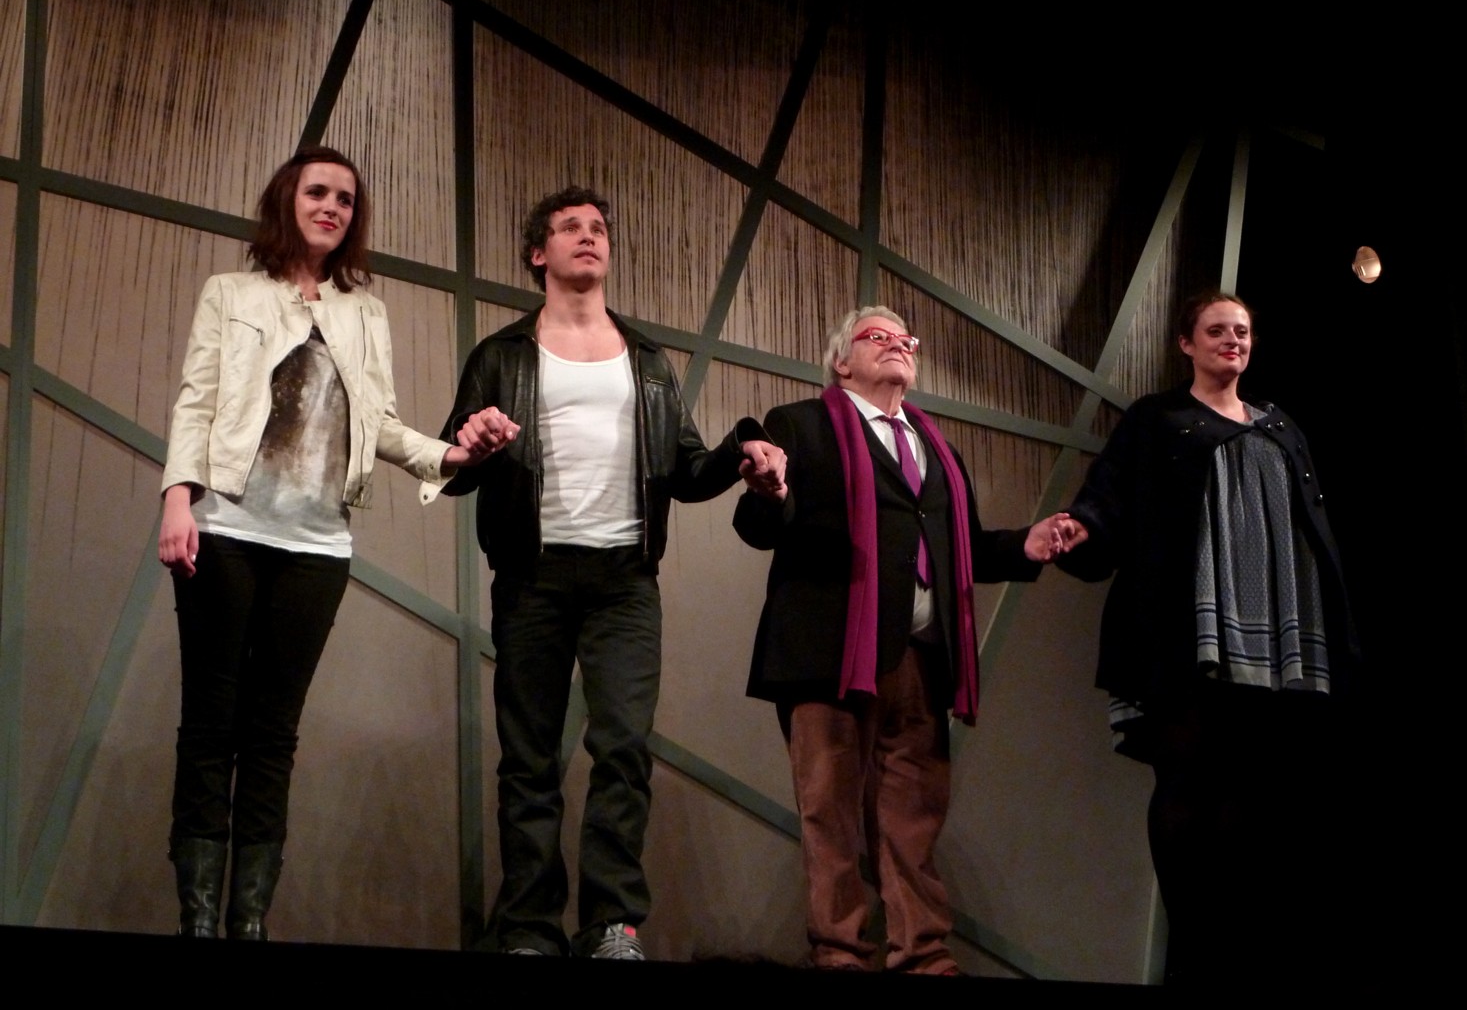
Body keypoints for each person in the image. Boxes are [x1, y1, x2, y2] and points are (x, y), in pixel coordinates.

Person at [425, 186, 785, 960]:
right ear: (538, 253)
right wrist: (472, 441)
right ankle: (527, 927)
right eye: (569, 228)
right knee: (529, 759)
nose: (588, 237)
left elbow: (685, 471)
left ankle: (611, 923)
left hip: (625, 581)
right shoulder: (500, 355)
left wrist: (742, 451)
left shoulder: (647, 360)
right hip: (532, 577)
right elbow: (450, 468)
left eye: (597, 229)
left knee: (622, 749)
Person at [157, 146, 501, 940]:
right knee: (210, 726)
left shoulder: (364, 312)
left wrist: (452, 455)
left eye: (345, 199)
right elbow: (197, 401)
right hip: (227, 529)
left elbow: (379, 423)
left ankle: (248, 923)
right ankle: (198, 922)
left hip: (317, 547)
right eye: (318, 192)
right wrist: (177, 500)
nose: (332, 207)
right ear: (288, 199)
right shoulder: (231, 293)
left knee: (272, 735)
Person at [733, 307, 1067, 974]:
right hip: (827, 655)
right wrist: (769, 491)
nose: (897, 346)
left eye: (905, 339)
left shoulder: (935, 446)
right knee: (830, 814)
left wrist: (1024, 545)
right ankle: (840, 955)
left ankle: (923, 956)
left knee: (914, 819)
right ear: (841, 362)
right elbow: (759, 524)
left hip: (921, 658)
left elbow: (962, 548)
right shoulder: (799, 425)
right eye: (877, 337)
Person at [1055, 291, 1359, 983]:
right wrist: (1081, 530)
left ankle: (1235, 954)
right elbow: (1108, 500)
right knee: (1188, 776)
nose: (1232, 340)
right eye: (1216, 330)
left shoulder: (1281, 427)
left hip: (1272, 638)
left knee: (1249, 792)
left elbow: (1313, 530)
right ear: (1185, 344)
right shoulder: (1157, 419)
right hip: (1189, 633)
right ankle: (1190, 953)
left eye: (1242, 331)